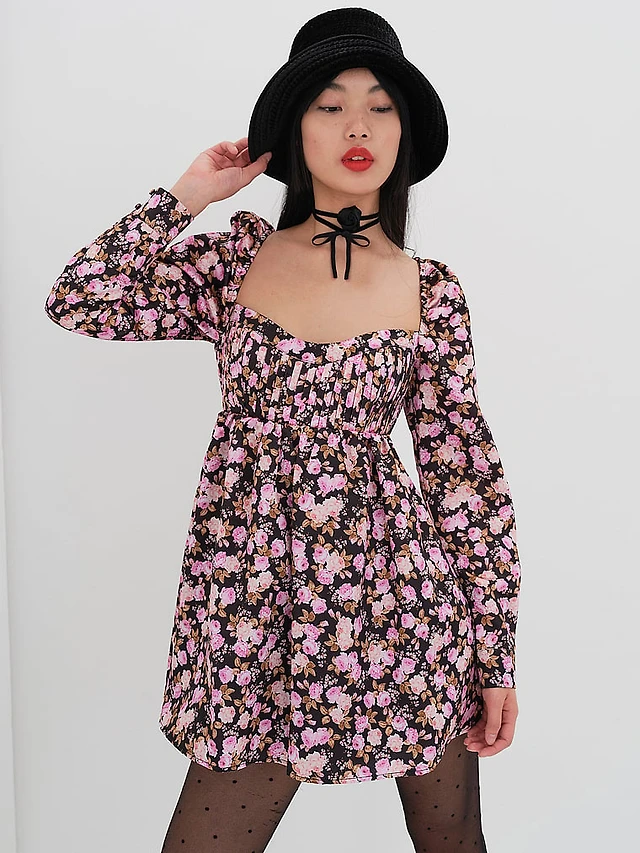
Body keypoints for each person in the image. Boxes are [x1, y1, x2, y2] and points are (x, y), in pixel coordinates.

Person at [43, 7, 521, 852]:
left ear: (404, 133)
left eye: (380, 107)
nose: (357, 127)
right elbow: (80, 298)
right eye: (330, 105)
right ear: (294, 128)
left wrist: (494, 656)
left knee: (453, 841)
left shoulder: (432, 291)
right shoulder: (232, 263)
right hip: (251, 615)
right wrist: (188, 196)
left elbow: (465, 479)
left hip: (404, 613)